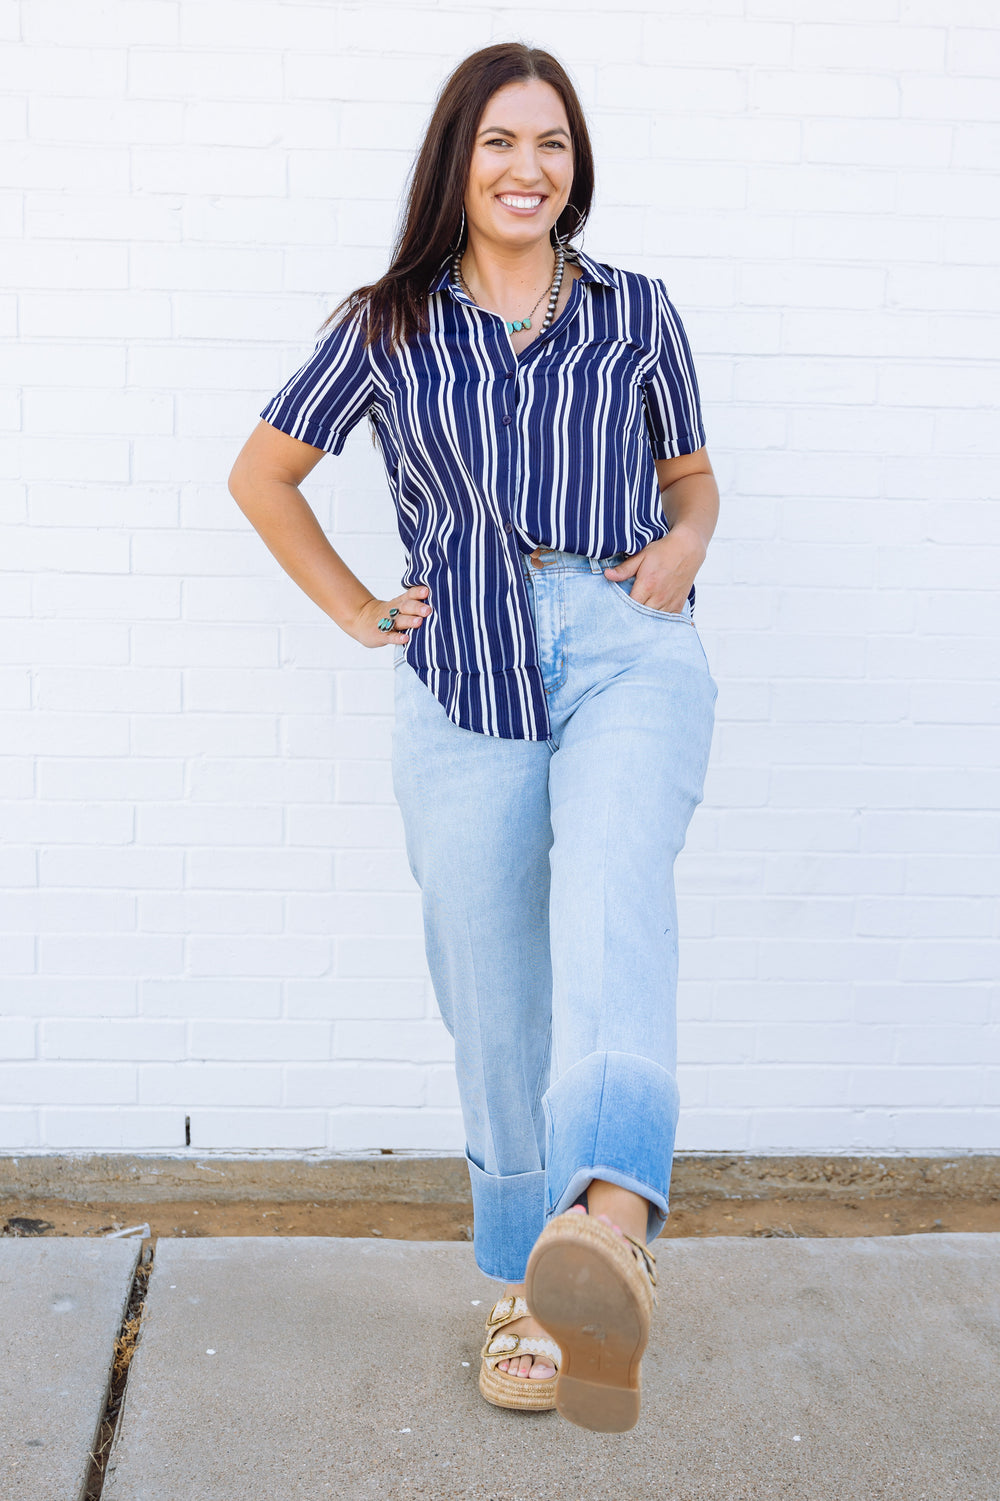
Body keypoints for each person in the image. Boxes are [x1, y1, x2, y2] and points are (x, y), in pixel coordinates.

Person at [228, 42, 719, 1433]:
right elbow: (264, 474)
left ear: (578, 166)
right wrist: (363, 611)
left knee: (616, 895)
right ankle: (527, 1280)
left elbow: (692, 480)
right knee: (490, 975)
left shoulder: (636, 309)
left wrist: (686, 542)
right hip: (463, 673)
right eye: (501, 142)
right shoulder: (386, 324)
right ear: (458, 161)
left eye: (552, 144)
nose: (528, 168)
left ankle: (612, 1216)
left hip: (628, 641)